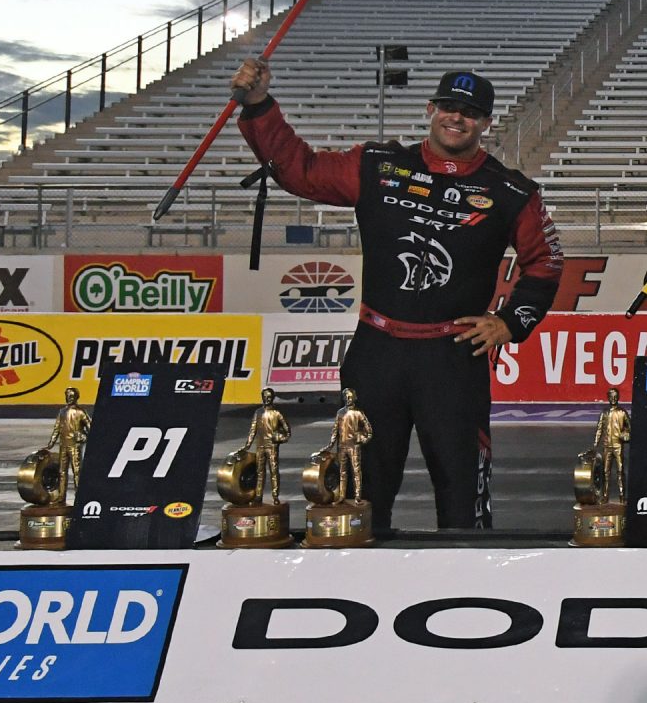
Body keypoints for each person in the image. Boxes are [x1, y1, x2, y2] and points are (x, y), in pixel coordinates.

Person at [233, 59, 563, 532]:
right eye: (448, 106)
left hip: (453, 357)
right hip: (376, 352)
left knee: (461, 491)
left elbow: (547, 263)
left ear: (486, 123)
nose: (457, 117)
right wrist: (260, 106)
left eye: (470, 112)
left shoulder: (511, 191)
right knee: (362, 489)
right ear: (431, 109)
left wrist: (511, 323)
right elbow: (299, 170)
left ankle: (464, 589)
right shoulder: (377, 164)